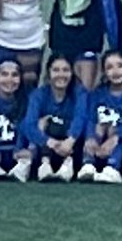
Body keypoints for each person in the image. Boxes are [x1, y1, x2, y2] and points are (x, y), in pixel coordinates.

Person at [77, 50, 122, 184]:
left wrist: (116, 137)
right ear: (104, 72)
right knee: (98, 127)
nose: (115, 71)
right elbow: (90, 118)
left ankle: (113, 168)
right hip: (99, 141)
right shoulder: (96, 94)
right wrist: (90, 137)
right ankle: (88, 164)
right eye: (109, 67)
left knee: (115, 128)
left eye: (120, 66)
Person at [23, 53, 86, 183]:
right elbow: (28, 124)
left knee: (72, 125)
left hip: (72, 146)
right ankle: (44, 165)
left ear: (72, 72)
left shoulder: (80, 93)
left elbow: (81, 118)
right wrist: (49, 141)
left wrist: (70, 140)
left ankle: (68, 165)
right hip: (47, 146)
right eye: (56, 70)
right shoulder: (38, 94)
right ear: (48, 73)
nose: (61, 75)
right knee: (41, 123)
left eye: (65, 70)